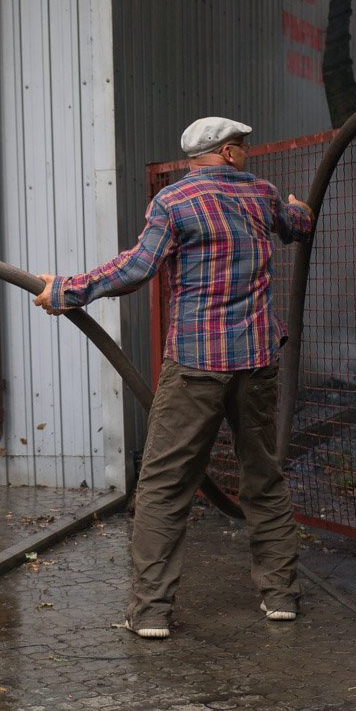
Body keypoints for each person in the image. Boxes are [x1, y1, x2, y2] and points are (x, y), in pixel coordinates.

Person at [33, 117, 314, 639]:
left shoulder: (174, 202)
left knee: (163, 487)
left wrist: (68, 289)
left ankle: (152, 613)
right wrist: (298, 207)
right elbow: (298, 226)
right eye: (243, 148)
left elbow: (137, 268)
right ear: (228, 153)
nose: (247, 154)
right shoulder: (263, 195)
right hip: (255, 360)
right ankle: (281, 598)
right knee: (265, 476)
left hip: (196, 363)